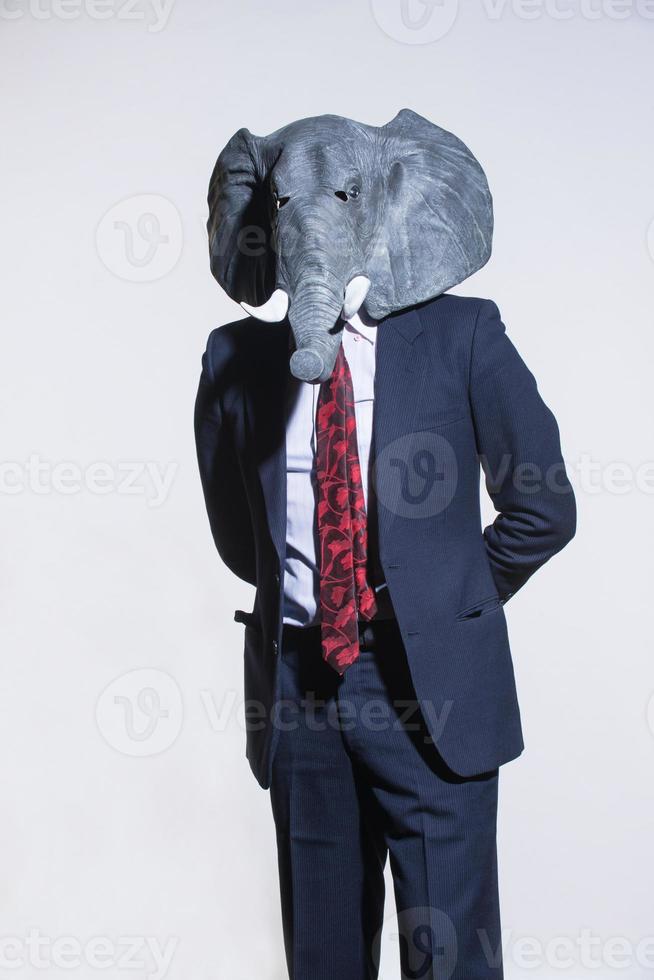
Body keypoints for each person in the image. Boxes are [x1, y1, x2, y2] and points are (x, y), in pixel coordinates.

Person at [195, 110, 576, 980]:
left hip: (427, 686)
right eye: (288, 204)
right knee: (322, 960)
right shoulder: (233, 362)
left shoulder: (463, 337)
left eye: (339, 198)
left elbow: (543, 507)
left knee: (450, 963)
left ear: (396, 204)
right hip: (299, 691)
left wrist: (442, 602)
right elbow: (236, 534)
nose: (308, 222)